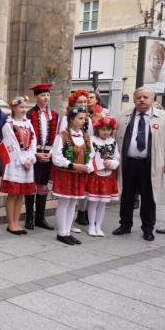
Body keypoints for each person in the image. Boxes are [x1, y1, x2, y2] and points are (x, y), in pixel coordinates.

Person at [114, 87, 165, 241]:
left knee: (149, 198)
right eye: (139, 97)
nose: (142, 100)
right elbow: (115, 139)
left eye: (145, 97)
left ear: (152, 99)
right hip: (128, 163)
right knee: (127, 196)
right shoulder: (123, 116)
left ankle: (148, 229)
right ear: (134, 99)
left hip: (150, 164)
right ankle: (125, 225)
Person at [50, 106, 94, 245]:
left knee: (73, 203)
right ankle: (61, 233)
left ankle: (68, 232)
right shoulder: (62, 136)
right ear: (71, 119)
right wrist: (72, 165)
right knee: (64, 203)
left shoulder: (85, 136)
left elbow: (91, 154)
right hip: (66, 175)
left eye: (84, 118)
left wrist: (88, 166)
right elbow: (56, 157)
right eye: (80, 118)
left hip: (79, 175)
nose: (83, 121)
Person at [0, 96, 37, 235]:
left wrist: (30, 159)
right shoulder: (8, 125)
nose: (24, 110)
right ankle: (11, 224)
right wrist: (23, 161)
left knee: (21, 194)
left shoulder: (29, 124)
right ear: (14, 108)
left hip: (27, 161)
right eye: (21, 107)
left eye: (26, 107)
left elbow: (33, 142)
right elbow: (12, 145)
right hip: (14, 161)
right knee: (13, 193)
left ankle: (16, 222)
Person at [25, 83, 58, 230]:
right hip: (33, 154)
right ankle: (29, 218)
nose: (46, 98)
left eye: (48, 95)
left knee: (43, 185)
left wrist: (51, 154)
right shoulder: (29, 114)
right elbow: (25, 137)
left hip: (48, 155)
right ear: (36, 97)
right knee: (31, 185)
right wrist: (34, 154)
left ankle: (40, 218)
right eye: (43, 95)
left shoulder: (55, 115)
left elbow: (58, 136)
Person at [85, 117, 120, 237]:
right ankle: (91, 226)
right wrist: (94, 166)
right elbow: (89, 156)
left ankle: (98, 226)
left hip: (108, 175)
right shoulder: (92, 140)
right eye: (103, 129)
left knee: (102, 203)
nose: (106, 132)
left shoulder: (113, 142)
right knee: (93, 202)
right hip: (95, 175)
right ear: (97, 129)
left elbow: (116, 157)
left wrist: (112, 163)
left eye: (108, 130)